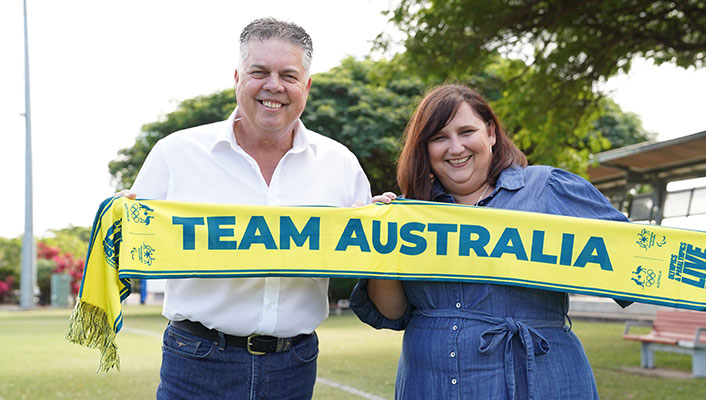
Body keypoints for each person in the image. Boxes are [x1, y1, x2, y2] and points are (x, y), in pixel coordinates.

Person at [122, 18, 371, 399]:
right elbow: (134, 247)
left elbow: (367, 257)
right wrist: (122, 222)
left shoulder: (341, 164)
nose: (274, 86)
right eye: (259, 72)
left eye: (288, 75)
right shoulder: (176, 154)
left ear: (306, 86)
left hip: (295, 365)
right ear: (238, 77)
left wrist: (387, 222)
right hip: (197, 362)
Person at [349, 84, 632, 399]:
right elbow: (391, 312)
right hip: (429, 384)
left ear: (492, 133)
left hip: (538, 382)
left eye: (466, 131)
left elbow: (635, 258)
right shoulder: (408, 214)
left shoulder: (548, 189)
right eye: (439, 137)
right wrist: (378, 241)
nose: (455, 148)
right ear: (424, 148)